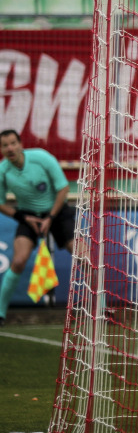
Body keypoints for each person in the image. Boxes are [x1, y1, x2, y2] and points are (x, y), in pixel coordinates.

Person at [0, 130, 75, 327]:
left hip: (57, 212)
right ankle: (0, 313)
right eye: (5, 145)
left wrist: (50, 217)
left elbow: (63, 189)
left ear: (21, 144)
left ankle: (102, 309)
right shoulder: (3, 170)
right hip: (28, 216)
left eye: (13, 143)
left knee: (82, 256)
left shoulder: (41, 157)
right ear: (1, 150)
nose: (10, 148)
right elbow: (0, 203)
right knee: (18, 261)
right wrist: (22, 217)